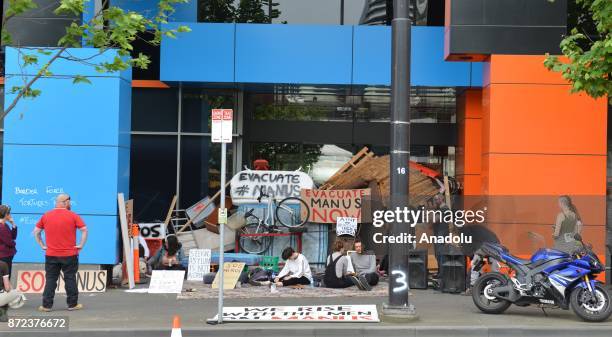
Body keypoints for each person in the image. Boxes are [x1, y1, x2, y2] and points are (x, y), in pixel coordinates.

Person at [33, 194, 88, 312]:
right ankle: (72, 304)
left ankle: (46, 306)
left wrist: (42, 245)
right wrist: (81, 245)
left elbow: (36, 232)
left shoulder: (46, 215)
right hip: (69, 254)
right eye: (70, 202)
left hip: (51, 254)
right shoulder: (73, 215)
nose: (71, 204)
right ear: (66, 202)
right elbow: (84, 230)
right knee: (70, 278)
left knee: (51, 279)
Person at [0, 205, 17, 277]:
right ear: (6, 214)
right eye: (9, 213)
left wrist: (13, 224)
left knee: (6, 275)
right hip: (3, 255)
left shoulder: (5, 225)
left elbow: (13, 237)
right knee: (5, 277)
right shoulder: (1, 227)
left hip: (7, 255)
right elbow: (9, 242)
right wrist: (14, 243)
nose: (10, 215)